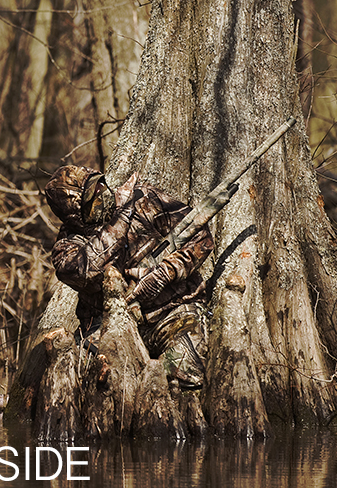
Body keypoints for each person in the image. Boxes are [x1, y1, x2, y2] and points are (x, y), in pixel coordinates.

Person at [43, 165, 213, 385]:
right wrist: (122, 217)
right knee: (92, 379)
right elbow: (90, 269)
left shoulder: (144, 200)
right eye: (91, 196)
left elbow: (201, 237)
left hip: (171, 314)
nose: (103, 192)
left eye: (100, 183)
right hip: (110, 327)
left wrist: (165, 273)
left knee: (186, 372)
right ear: (75, 213)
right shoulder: (66, 250)